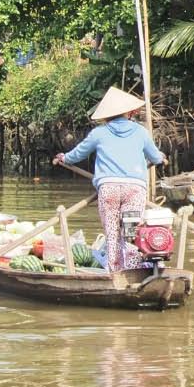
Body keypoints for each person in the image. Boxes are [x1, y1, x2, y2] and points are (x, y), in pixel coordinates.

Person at [53, 87, 167, 271]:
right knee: (129, 233)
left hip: (109, 189)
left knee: (112, 233)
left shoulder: (99, 133)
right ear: (130, 113)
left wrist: (63, 158)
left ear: (107, 115)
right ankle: (131, 270)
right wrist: (161, 157)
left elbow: (76, 154)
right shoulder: (140, 132)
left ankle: (113, 272)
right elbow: (155, 158)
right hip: (134, 190)